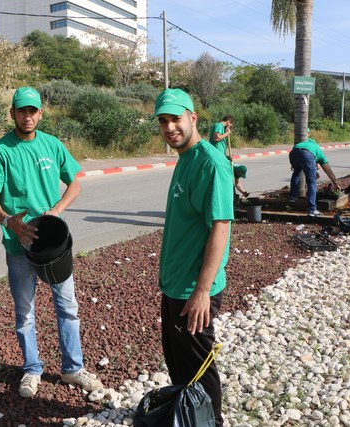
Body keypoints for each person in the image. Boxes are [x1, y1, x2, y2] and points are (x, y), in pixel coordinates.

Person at [0, 87, 103, 398]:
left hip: (54, 243)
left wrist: (58, 210)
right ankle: (32, 369)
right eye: (22, 111)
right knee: (25, 311)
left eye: (33, 111)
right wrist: (9, 221)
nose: (28, 116)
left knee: (68, 307)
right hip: (19, 245)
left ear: (41, 114)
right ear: (13, 114)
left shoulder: (53, 145)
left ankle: (72, 368)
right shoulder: (1, 150)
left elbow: (74, 182)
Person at [154, 88, 234, 427]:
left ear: (193, 118)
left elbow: (220, 226)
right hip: (176, 286)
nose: (170, 127)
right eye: (163, 121)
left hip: (194, 290)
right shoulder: (186, 158)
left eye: (176, 119)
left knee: (200, 371)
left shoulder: (211, 163)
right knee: (180, 367)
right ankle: (188, 419)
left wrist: (202, 291)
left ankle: (210, 422)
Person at [289, 134, 342, 217]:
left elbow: (299, 154)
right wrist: (335, 183)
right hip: (306, 155)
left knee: (296, 172)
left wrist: (295, 163)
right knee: (312, 182)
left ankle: (293, 197)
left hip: (293, 153)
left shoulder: (306, 144)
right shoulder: (319, 154)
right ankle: (312, 209)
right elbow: (329, 172)